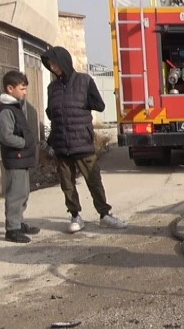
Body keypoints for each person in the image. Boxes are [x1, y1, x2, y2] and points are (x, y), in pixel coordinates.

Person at [41, 46, 128, 233]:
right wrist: (51, 141)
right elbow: (52, 113)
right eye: (50, 65)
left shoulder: (84, 81)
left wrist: (80, 106)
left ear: (64, 62)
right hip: (61, 144)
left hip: (82, 142)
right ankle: (75, 216)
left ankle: (105, 215)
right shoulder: (52, 88)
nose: (53, 68)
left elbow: (100, 105)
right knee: (67, 183)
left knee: (94, 181)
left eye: (55, 63)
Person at [0, 70, 40, 243]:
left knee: (23, 193)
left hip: (22, 158)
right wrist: (23, 143)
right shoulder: (6, 110)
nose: (25, 92)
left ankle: (19, 222)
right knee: (15, 195)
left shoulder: (16, 107)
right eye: (22, 88)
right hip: (15, 157)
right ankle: (12, 229)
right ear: (10, 88)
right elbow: (6, 136)